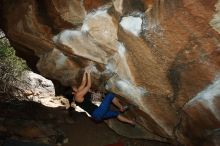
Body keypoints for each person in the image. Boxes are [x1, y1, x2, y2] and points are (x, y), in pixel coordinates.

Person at [70, 69, 135, 126]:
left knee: (116, 114)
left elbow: (83, 83)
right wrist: (89, 73)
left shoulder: (77, 93)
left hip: (97, 116)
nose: (75, 86)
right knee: (110, 95)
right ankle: (121, 108)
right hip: (98, 112)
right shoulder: (77, 96)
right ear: (73, 92)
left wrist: (85, 72)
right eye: (74, 87)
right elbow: (88, 86)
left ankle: (131, 122)